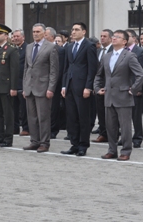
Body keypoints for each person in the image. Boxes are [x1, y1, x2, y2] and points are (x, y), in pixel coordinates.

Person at [94, 30, 143, 161]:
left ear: (124, 41)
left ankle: (126, 151)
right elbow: (99, 75)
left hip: (123, 96)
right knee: (110, 126)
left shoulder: (129, 56)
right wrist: (97, 88)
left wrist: (133, 90)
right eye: (114, 36)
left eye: (118, 37)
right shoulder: (107, 56)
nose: (114, 38)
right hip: (109, 96)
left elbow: (141, 74)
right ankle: (112, 150)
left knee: (125, 126)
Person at [60, 22, 98, 157]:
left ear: (84, 32)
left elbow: (92, 68)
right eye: (73, 29)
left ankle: (83, 145)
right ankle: (74, 144)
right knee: (72, 117)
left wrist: (88, 87)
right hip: (70, 86)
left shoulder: (89, 46)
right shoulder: (69, 47)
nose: (74, 32)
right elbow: (66, 68)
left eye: (77, 29)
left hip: (82, 88)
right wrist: (64, 85)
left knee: (83, 118)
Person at [22, 24, 59, 153]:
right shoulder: (29, 47)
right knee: (32, 117)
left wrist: (51, 88)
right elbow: (26, 68)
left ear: (44, 33)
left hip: (43, 87)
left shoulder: (51, 47)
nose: (35, 34)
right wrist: (25, 86)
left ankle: (44, 142)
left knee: (43, 117)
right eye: (33, 32)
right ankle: (34, 141)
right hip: (30, 87)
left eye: (38, 31)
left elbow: (54, 71)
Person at [125, 29, 143, 148]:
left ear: (134, 38)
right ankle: (125, 137)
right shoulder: (121, 51)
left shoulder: (140, 51)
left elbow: (142, 71)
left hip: (135, 88)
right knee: (124, 116)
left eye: (127, 36)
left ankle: (138, 138)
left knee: (136, 116)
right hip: (123, 88)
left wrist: (138, 88)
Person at [91, 29, 113, 144]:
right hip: (99, 87)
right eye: (101, 36)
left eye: (105, 36)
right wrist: (96, 87)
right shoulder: (98, 51)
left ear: (110, 38)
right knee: (101, 112)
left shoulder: (114, 50)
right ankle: (103, 133)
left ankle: (112, 134)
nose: (102, 38)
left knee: (111, 113)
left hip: (110, 87)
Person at [46, 27, 66, 139]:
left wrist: (54, 83)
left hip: (55, 83)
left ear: (52, 37)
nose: (44, 37)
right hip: (43, 82)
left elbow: (60, 68)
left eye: (46, 35)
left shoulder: (59, 49)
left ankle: (53, 129)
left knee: (53, 107)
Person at [12, 29, 29, 136]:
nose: (15, 38)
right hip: (13, 83)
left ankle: (26, 128)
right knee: (13, 108)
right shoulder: (12, 49)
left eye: (17, 36)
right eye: (14, 36)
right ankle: (14, 128)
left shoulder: (27, 48)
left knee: (24, 109)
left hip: (23, 82)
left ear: (23, 37)